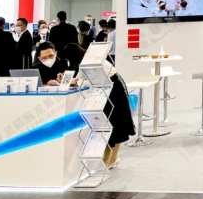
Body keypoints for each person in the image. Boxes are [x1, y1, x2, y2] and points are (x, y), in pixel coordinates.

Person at [35, 41, 134, 169]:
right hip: (108, 89)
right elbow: (81, 78)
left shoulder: (90, 62)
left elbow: (92, 80)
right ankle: (108, 157)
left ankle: (113, 158)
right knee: (109, 123)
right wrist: (68, 81)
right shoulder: (85, 60)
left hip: (114, 89)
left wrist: (74, 82)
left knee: (116, 124)